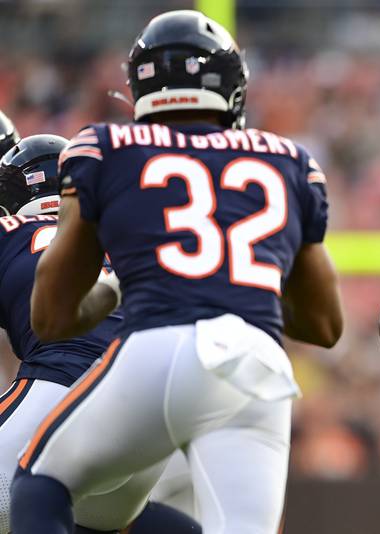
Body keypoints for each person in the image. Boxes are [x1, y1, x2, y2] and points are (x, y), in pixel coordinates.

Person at [9, 9, 342, 534]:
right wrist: (233, 284)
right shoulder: (290, 159)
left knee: (37, 483)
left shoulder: (105, 149)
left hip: (158, 349)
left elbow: (51, 317)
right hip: (255, 365)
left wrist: (116, 289)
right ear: (232, 86)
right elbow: (324, 325)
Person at [0, 132, 201, 533]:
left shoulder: (12, 229)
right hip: (154, 426)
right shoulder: (136, 240)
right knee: (94, 519)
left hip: (63, 387)